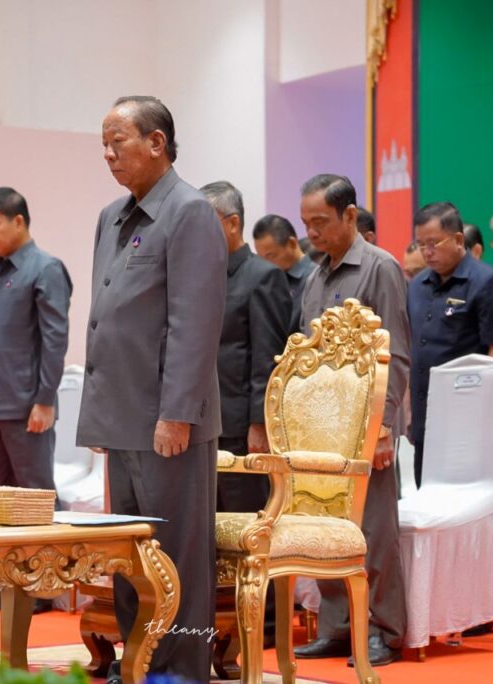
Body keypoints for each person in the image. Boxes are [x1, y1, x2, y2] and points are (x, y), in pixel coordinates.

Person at [76, 96, 227, 683]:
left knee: (175, 555)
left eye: (118, 142)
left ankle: (181, 670)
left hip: (169, 420)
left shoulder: (189, 212)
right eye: (103, 145)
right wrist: (100, 413)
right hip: (121, 416)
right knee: (128, 555)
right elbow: (106, 317)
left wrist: (178, 412)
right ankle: (138, 664)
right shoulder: (110, 216)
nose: (108, 155)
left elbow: (194, 322)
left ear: (157, 143)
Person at [292, 174, 409, 668]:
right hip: (321, 428)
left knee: (373, 534)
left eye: (321, 222)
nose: (312, 232)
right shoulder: (315, 275)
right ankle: (338, 628)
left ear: (350, 215)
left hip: (365, 426)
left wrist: (383, 428)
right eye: (306, 223)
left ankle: (385, 631)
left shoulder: (380, 268)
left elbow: (395, 355)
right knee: (326, 531)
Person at [0, 187, 72, 612]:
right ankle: (2, 584)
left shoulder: (46, 269)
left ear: (19, 221)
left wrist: (45, 399)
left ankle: (41, 587)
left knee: (35, 498)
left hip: (26, 406)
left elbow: (54, 339)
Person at [407, 202, 493, 488]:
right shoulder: (416, 285)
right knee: (426, 493)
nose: (427, 252)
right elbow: (414, 349)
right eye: (421, 244)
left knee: (464, 499)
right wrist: (409, 410)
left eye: (433, 243)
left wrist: (487, 414)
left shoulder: (487, 282)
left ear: (457, 239)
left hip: (467, 418)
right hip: (424, 413)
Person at [201, 181, 291, 504]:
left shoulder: (263, 276)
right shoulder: (201, 276)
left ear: (233, 223)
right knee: (207, 521)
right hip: (203, 423)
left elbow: (268, 358)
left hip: (240, 429)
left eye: (205, 222)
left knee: (244, 518)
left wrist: (260, 424)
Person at [252, 213, 316, 335]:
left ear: (292, 243)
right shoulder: (267, 280)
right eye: (261, 258)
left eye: (270, 256)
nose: (264, 264)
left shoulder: (314, 278)